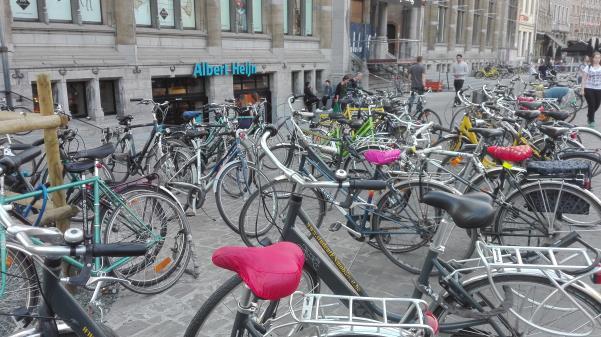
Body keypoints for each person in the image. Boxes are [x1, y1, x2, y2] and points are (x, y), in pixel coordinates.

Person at [581, 51, 601, 128]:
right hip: (589, 88)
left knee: (597, 105)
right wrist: (582, 89)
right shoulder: (588, 67)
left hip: (599, 88)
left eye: (599, 58)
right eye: (596, 57)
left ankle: (589, 114)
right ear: (592, 58)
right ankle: (591, 121)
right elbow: (584, 79)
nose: (597, 59)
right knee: (592, 104)